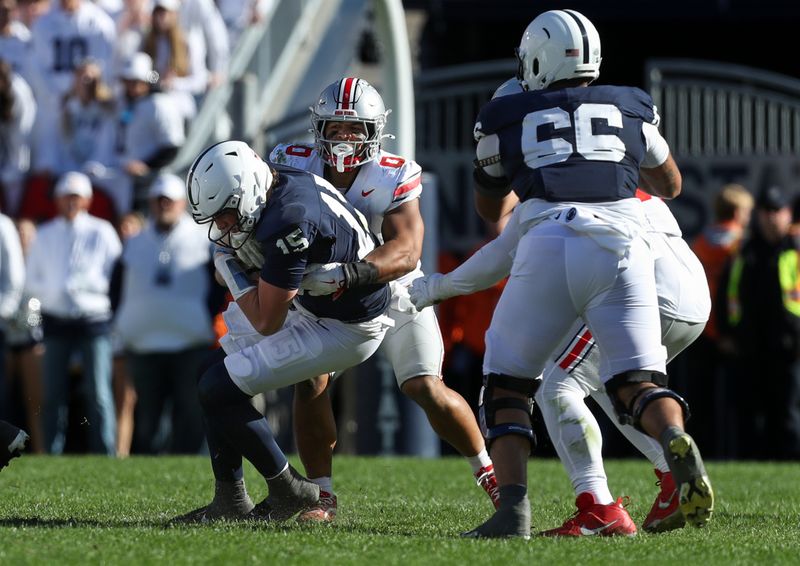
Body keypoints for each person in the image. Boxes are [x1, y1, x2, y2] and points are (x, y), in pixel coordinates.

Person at [440, 9, 712, 538]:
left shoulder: (512, 123)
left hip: (599, 258)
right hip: (670, 275)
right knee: (628, 386)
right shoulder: (629, 110)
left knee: (539, 384)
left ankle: (589, 507)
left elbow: (494, 219)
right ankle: (668, 460)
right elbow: (671, 182)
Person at [411, 187, 712, 536]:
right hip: (692, 294)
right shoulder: (614, 172)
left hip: (645, 287)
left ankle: (598, 506)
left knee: (557, 383)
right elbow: (669, 182)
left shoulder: (555, 185)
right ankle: (669, 468)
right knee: (613, 384)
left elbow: (499, 253)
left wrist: (437, 287)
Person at [269, 77, 498, 522]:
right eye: (335, 128)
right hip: (326, 296)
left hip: (391, 290)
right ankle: (322, 496)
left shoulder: (392, 172)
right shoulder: (292, 164)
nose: (343, 138)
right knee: (311, 381)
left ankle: (489, 473)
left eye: (354, 129)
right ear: (319, 129)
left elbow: (407, 249)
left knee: (423, 386)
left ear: (374, 132)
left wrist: (350, 273)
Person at [171, 140, 394, 523]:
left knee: (218, 389)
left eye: (225, 214)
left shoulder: (290, 219)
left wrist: (228, 267)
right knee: (207, 374)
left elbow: (266, 320)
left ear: (249, 191)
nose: (222, 227)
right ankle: (230, 500)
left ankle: (289, 489)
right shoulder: (275, 183)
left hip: (346, 326)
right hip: (313, 305)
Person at [112, 173, 222, 454]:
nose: (164, 206)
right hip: (143, 343)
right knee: (148, 414)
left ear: (182, 203)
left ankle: (185, 467)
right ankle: (150, 467)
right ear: (150, 202)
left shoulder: (202, 239)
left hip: (190, 341)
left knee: (189, 410)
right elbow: (116, 287)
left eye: (169, 201)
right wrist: (124, 323)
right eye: (159, 201)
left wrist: (205, 319)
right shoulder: (134, 242)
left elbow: (218, 287)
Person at [24, 171, 122, 454]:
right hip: (55, 321)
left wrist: (88, 292)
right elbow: (33, 284)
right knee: (52, 393)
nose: (70, 202)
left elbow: (114, 279)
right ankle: (51, 453)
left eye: (76, 197)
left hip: (94, 321)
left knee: (99, 392)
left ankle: (106, 452)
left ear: (87, 200)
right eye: (66, 196)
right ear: (57, 200)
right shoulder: (45, 235)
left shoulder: (102, 231)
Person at [718, 185, 800, 459]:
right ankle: (750, 462)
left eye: (777, 211)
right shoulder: (744, 251)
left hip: (790, 347)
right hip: (750, 347)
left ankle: (790, 462)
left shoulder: (796, 250)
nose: (771, 217)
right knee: (749, 413)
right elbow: (726, 292)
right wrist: (726, 334)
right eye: (766, 211)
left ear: (788, 214)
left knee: (788, 412)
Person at [686, 183, 753, 457]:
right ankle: (733, 452)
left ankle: (702, 452)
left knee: (700, 400)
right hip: (728, 329)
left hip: (700, 327)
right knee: (735, 401)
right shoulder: (740, 244)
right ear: (738, 212)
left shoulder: (701, 241)